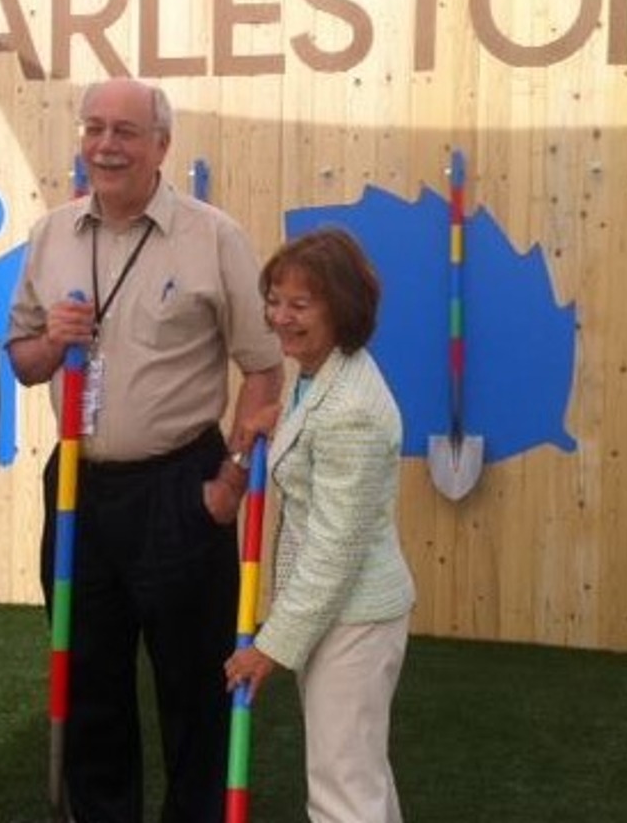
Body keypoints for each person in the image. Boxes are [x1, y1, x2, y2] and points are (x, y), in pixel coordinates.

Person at [7, 77, 284, 823]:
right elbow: (23, 359)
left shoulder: (212, 236)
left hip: (180, 485)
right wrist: (49, 343)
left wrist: (228, 482)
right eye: (94, 128)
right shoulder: (51, 234)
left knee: (193, 684)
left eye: (125, 131)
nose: (106, 145)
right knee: (90, 676)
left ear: (162, 144)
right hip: (76, 488)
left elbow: (263, 366)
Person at [223, 229, 416, 823]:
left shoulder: (352, 409)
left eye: (299, 305)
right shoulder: (324, 372)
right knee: (358, 773)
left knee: (341, 790)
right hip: (347, 610)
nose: (280, 317)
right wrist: (274, 421)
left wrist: (269, 648)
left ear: (342, 308)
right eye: (274, 299)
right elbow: (313, 417)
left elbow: (334, 552)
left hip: (353, 614)